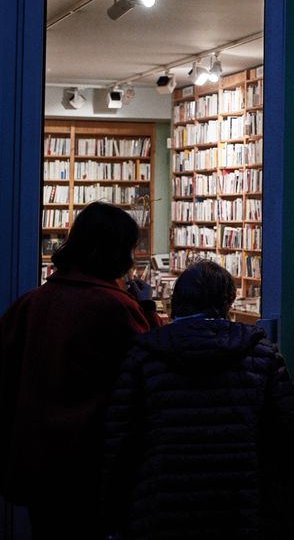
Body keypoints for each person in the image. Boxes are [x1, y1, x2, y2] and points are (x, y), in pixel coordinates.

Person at [101, 260, 294, 540]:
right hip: (239, 499)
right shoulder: (259, 352)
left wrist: (117, 506)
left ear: (178, 300)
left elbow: (119, 437)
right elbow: (291, 426)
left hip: (162, 500)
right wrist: (269, 482)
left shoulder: (145, 353)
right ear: (228, 300)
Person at [0, 202, 160, 539]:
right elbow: (152, 364)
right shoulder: (115, 307)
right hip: (91, 460)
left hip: (36, 457)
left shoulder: (32, 302)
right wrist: (147, 306)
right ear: (116, 252)